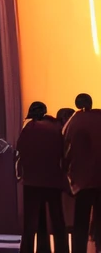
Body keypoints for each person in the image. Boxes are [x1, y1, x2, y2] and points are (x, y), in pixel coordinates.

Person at [17, 102, 68, 253]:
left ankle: (32, 249)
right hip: (53, 180)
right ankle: (62, 249)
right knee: (57, 220)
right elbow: (63, 152)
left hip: (32, 181)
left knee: (32, 222)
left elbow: (20, 150)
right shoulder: (56, 128)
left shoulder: (29, 129)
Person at [66, 94, 101, 253]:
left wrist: (66, 170)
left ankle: (79, 250)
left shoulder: (75, 121)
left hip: (83, 180)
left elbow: (65, 147)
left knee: (81, 220)